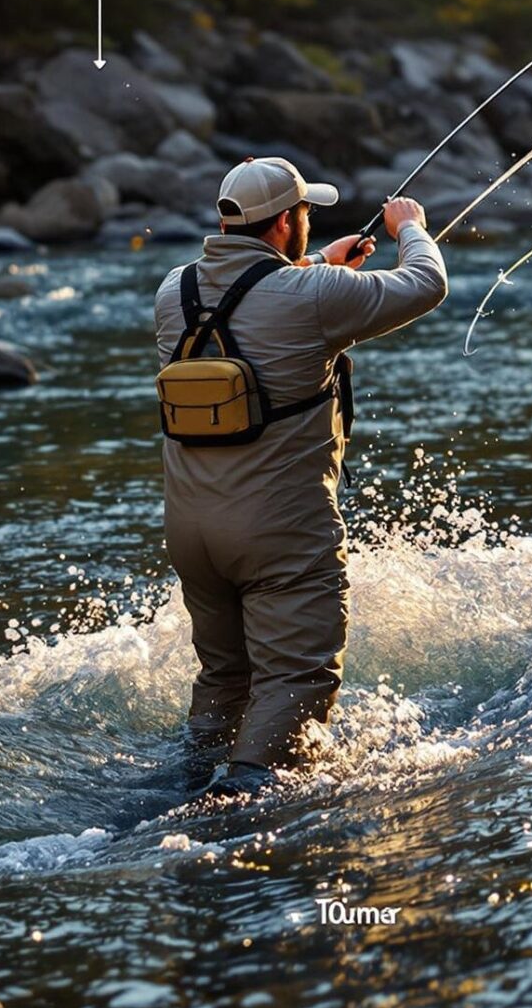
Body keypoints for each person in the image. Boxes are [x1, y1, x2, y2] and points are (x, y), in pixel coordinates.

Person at [154, 156, 447, 798]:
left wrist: (321, 264)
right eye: (307, 213)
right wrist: (411, 228)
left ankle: (183, 787)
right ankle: (246, 813)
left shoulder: (173, 291)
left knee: (225, 678)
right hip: (279, 533)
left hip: (192, 535)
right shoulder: (313, 297)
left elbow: (252, 297)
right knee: (297, 675)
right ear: (287, 221)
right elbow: (425, 285)